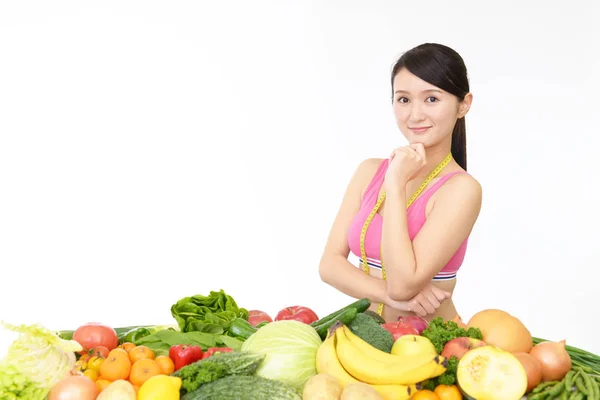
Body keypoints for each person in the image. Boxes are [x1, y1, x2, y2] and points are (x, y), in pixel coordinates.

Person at [319, 43, 482, 323]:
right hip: (368, 339)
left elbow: (403, 284)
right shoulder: (369, 171)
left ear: (463, 104)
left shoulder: (461, 190)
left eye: (432, 99)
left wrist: (395, 185)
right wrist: (390, 296)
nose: (415, 115)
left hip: (432, 347)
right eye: (404, 99)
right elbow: (329, 265)